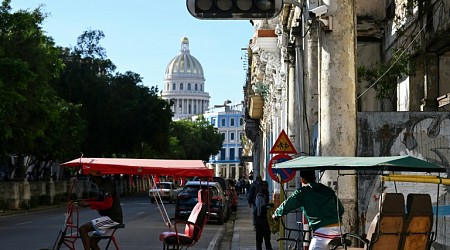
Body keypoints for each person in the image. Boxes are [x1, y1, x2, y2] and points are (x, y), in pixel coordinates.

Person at [272, 170, 344, 250]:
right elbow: (341, 210)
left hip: (323, 232)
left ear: (302, 179)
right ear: (315, 177)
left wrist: (276, 214)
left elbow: (288, 204)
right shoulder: (328, 190)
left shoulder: (302, 192)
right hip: (339, 229)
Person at [78, 170, 123, 250]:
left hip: (112, 219)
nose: (91, 180)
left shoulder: (107, 185)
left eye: (91, 177)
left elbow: (107, 204)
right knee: (92, 242)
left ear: (95, 176)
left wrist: (88, 204)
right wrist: (86, 201)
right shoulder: (102, 185)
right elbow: (98, 199)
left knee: (82, 229)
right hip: (109, 217)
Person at [254, 180, 273, 250]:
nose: (266, 187)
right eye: (264, 186)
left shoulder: (265, 193)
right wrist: (267, 205)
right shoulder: (260, 195)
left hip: (262, 217)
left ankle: (267, 247)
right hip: (260, 217)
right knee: (261, 234)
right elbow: (259, 208)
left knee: (266, 234)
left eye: (267, 186)